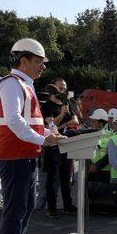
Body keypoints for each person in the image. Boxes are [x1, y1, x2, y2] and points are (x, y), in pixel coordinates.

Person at [0, 38, 65, 234]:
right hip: (13, 156)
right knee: (16, 209)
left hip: (23, 154)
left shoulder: (26, 84)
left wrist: (50, 134)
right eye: (39, 61)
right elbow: (14, 121)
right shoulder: (12, 84)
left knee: (25, 207)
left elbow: (31, 123)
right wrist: (43, 140)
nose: (43, 66)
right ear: (23, 60)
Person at [41, 78, 79, 218]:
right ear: (53, 89)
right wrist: (62, 115)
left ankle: (68, 205)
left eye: (65, 88)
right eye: (60, 88)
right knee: (53, 178)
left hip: (67, 144)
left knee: (66, 177)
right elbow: (50, 126)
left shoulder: (67, 102)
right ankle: (51, 209)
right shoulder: (47, 106)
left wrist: (63, 124)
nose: (63, 91)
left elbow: (75, 121)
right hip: (53, 145)